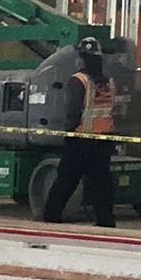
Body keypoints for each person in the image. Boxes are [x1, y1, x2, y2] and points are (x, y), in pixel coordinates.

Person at [39, 49, 118, 228]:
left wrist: (67, 132)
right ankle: (105, 221)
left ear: (83, 60)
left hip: (81, 139)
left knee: (66, 180)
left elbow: (72, 112)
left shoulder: (78, 80)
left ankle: (51, 216)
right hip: (103, 140)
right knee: (101, 183)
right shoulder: (108, 82)